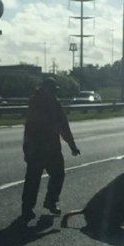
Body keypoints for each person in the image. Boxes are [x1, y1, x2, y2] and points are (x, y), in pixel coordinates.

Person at [20, 77, 80, 222]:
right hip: (41, 147)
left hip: (47, 147)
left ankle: (45, 202)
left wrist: (71, 144)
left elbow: (62, 126)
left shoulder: (40, 102)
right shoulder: (42, 103)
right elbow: (61, 126)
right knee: (35, 179)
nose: (53, 93)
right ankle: (31, 207)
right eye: (52, 90)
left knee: (54, 175)